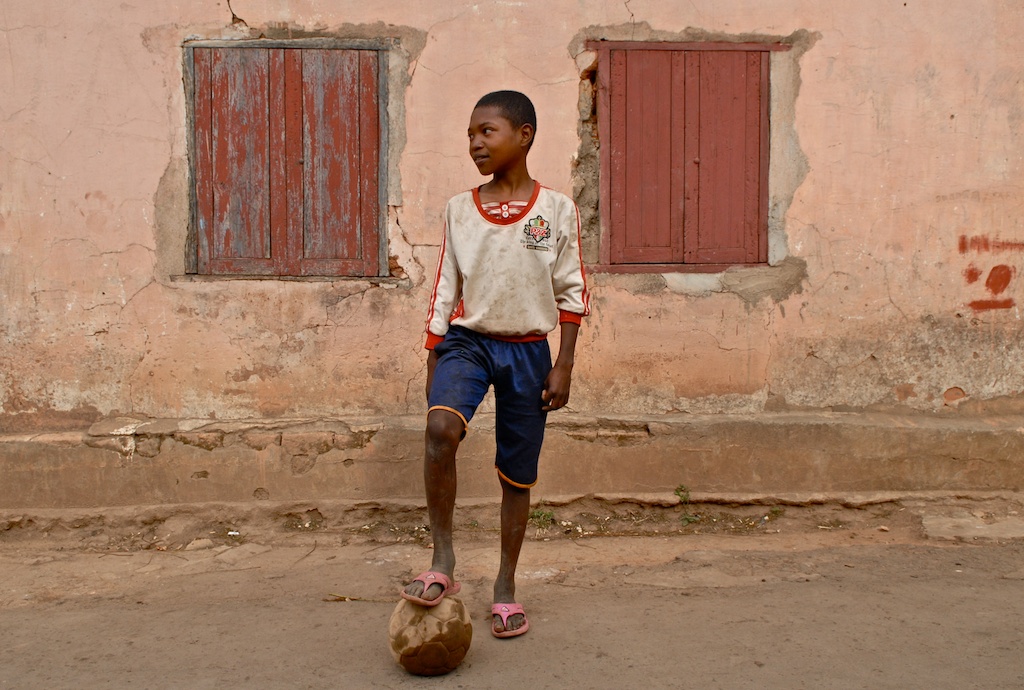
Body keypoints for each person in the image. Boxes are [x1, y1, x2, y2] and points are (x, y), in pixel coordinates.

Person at [401, 90, 590, 638]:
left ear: (524, 135)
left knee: (516, 474)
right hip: (468, 341)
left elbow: (571, 289)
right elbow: (446, 286)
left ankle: (505, 587)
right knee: (440, 429)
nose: (475, 144)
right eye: (470, 135)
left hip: (530, 350)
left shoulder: (555, 211)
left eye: (487, 132)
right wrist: (435, 351)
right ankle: (442, 561)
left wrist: (565, 364)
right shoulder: (461, 209)